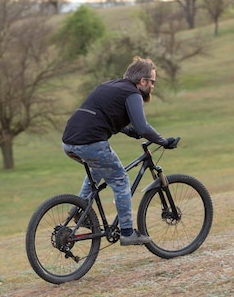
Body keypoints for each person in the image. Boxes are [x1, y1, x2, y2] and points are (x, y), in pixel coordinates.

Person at [62, 56, 179, 246]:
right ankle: (127, 232)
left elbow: (103, 115)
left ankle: (78, 213)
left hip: (68, 142)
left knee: (98, 170)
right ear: (142, 81)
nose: (153, 87)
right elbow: (143, 127)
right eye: (152, 82)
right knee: (121, 179)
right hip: (90, 143)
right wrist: (163, 141)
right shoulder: (132, 94)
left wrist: (128, 131)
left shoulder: (110, 86)